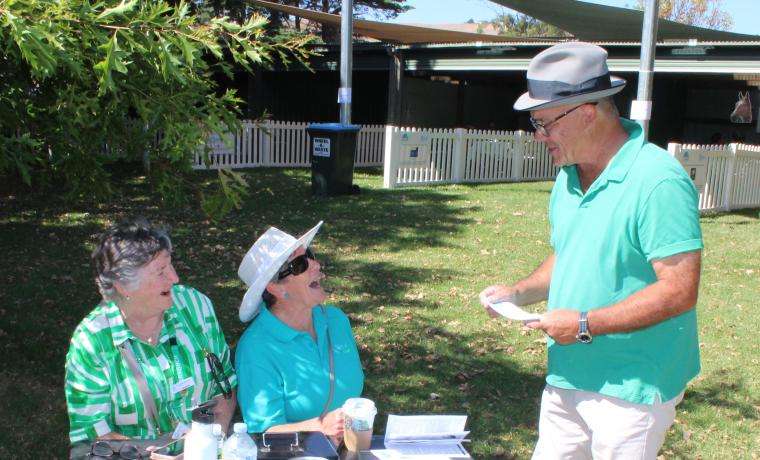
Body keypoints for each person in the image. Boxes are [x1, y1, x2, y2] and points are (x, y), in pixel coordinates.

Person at [480, 42, 703, 459]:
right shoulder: (569, 175)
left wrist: (584, 324)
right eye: (536, 123)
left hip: (631, 387)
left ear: (587, 112)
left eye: (545, 123)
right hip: (567, 372)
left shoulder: (657, 181)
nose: (539, 136)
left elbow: (679, 290)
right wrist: (517, 292)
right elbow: (569, 253)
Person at [65, 219, 237, 443]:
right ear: (123, 285)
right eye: (161, 272)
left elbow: (225, 387)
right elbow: (92, 437)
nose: (174, 278)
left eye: (171, 265)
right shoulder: (92, 343)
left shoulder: (194, 306)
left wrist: (209, 440)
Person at [235, 221, 364, 444]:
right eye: (299, 264)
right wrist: (319, 428)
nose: (315, 265)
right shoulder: (256, 348)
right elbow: (262, 433)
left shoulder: (336, 320)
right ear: (276, 288)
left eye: (310, 255)